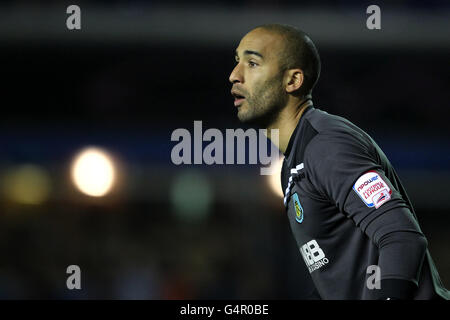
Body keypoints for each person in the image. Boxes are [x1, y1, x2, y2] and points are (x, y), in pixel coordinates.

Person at [229, 23, 449, 300]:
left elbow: (402, 238)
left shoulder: (326, 145)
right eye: (237, 62)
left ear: (292, 81)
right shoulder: (293, 165)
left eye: (251, 63)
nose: (234, 75)